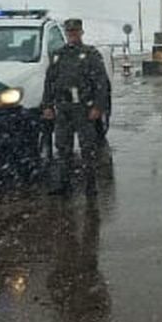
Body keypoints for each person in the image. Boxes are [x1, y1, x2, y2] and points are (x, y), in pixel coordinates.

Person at [42, 18, 110, 193]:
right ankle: (64, 184)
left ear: (81, 32)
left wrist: (98, 107)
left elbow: (101, 83)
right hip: (63, 108)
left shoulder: (90, 54)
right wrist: (47, 106)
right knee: (63, 147)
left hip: (83, 108)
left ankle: (90, 185)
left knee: (88, 147)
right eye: (69, 32)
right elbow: (49, 82)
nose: (72, 35)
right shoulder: (59, 55)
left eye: (75, 32)